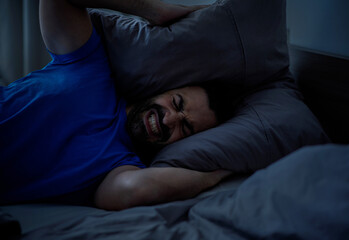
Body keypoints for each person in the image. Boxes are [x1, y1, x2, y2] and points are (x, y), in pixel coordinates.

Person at [0, 0, 232, 210]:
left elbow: (133, 189)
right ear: (165, 89)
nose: (169, 119)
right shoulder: (92, 71)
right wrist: (157, 11)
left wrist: (213, 178)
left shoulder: (119, 166)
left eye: (185, 128)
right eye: (177, 103)